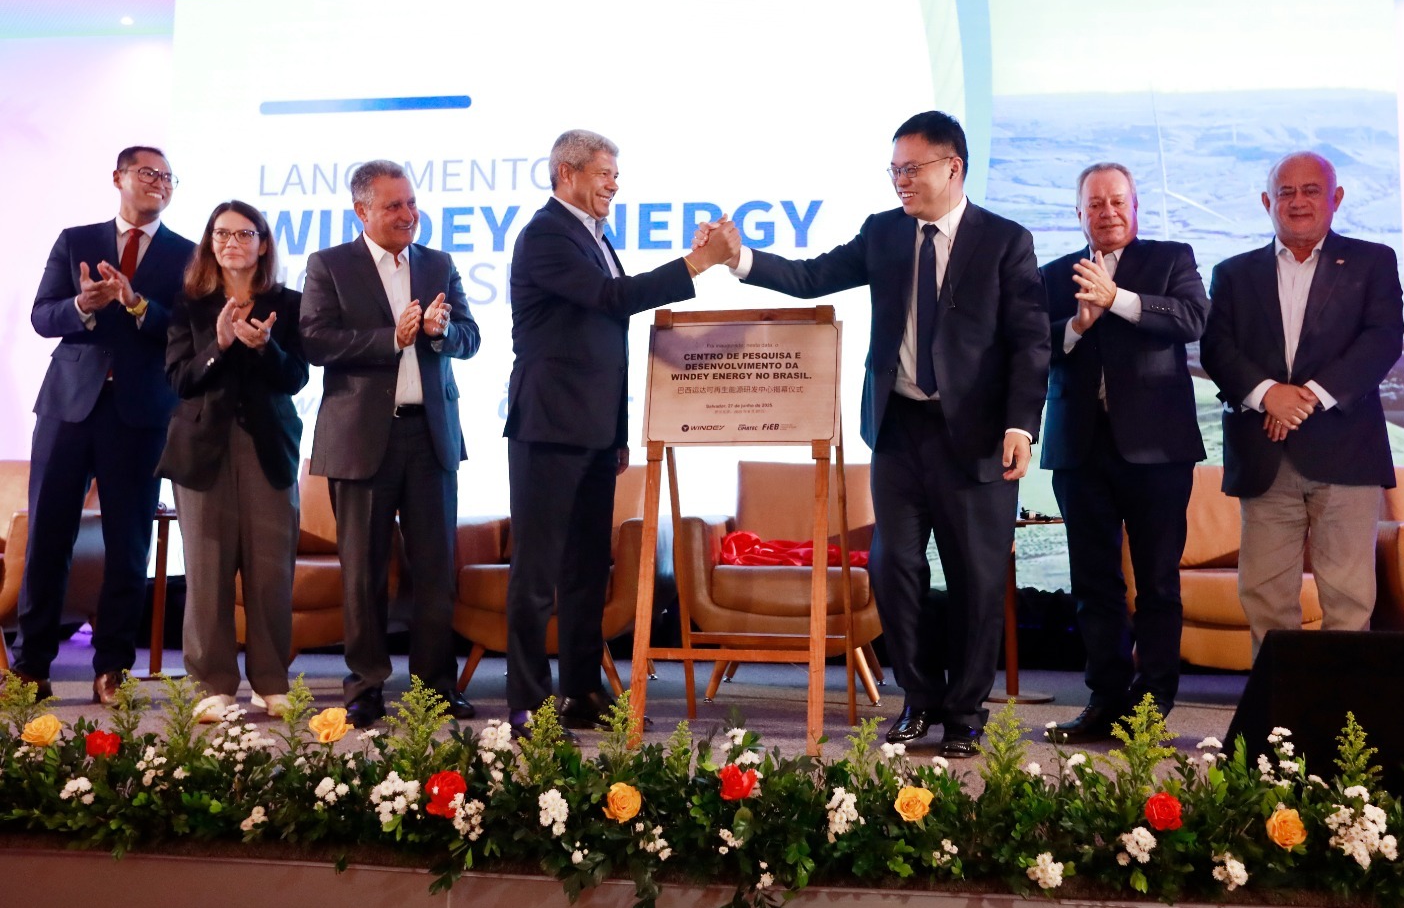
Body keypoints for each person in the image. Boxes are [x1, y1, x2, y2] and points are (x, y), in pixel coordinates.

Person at [713, 110, 1050, 757]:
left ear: (952, 167)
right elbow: (812, 276)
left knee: (977, 579)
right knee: (894, 569)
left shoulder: (1006, 240)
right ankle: (918, 698)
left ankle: (965, 712)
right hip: (899, 431)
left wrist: (1021, 425)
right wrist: (742, 258)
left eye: (912, 169)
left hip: (977, 436)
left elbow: (1031, 342)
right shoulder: (885, 233)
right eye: (894, 170)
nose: (901, 181)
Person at [503, 130, 736, 737]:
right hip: (548, 429)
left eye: (614, 173)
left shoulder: (594, 236)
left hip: (592, 431)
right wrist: (695, 264)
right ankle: (527, 702)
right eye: (605, 172)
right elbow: (611, 298)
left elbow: (606, 340)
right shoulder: (546, 234)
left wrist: (615, 432)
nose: (614, 184)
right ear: (568, 173)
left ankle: (580, 691)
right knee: (537, 574)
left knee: (585, 570)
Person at [11, 146, 194, 704]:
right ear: (119, 177)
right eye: (148, 173)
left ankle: (112, 666)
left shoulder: (187, 255)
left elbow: (185, 331)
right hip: (68, 407)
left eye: (169, 177)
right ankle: (31, 665)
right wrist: (82, 305)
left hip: (140, 413)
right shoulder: (76, 240)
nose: (159, 183)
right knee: (48, 536)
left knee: (128, 543)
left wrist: (138, 305)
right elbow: (43, 316)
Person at [301, 160, 481, 727]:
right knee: (363, 572)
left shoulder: (438, 263)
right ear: (362, 211)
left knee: (435, 571)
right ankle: (365, 688)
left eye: (411, 203)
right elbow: (314, 340)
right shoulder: (329, 265)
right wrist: (391, 338)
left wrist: (441, 333)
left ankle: (435, 689)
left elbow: (471, 338)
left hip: (430, 436)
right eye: (394, 206)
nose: (408, 215)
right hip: (360, 440)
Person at [1199, 152, 1402, 652]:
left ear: (1336, 198)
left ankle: (1340, 703)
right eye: (1285, 192)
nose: (1298, 202)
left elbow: (1381, 340)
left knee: (1349, 599)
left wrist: (1306, 398)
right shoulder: (1233, 273)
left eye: (1311, 190)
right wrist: (1269, 395)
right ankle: (1278, 701)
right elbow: (1216, 349)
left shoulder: (1372, 261)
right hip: (1264, 457)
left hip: (1347, 454)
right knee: (1265, 597)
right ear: (1267, 202)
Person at [1038, 163, 1206, 743]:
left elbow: (1192, 318)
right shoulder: (1053, 273)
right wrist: (1078, 326)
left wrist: (1120, 300)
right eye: (1095, 204)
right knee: (1093, 584)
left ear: (1135, 206)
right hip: (1080, 449)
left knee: (1157, 582)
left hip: (1159, 450)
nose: (1107, 212)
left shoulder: (1171, 259)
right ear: (1078, 213)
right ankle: (1104, 699)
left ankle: (1152, 705)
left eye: (1117, 202)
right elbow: (1031, 346)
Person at [157, 201, 308, 722]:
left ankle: (271, 681)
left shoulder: (288, 303)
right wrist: (219, 345)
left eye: (244, 234)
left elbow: (296, 378)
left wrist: (265, 347)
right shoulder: (189, 303)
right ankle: (212, 684)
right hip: (204, 449)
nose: (231, 243)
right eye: (221, 234)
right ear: (210, 243)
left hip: (268, 445)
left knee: (270, 571)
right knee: (207, 570)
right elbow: (179, 379)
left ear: (263, 244)